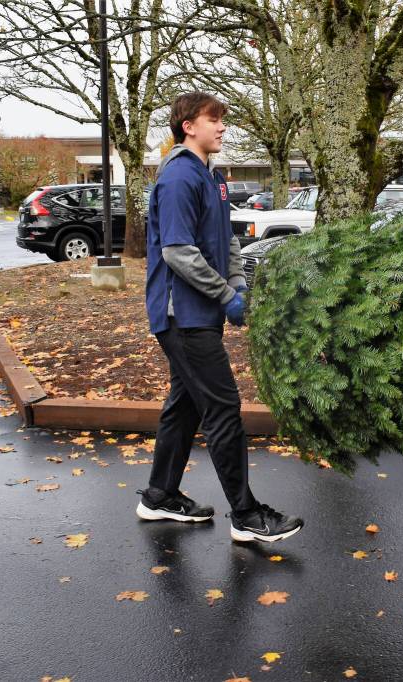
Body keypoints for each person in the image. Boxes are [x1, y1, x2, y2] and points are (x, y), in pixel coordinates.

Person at [139, 92, 303, 543]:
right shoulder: (177, 177)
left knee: (186, 403)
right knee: (223, 406)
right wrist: (223, 294)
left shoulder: (213, 178)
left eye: (222, 121)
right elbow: (177, 253)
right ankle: (247, 516)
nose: (222, 127)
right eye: (214, 120)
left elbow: (226, 239)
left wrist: (238, 286)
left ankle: (159, 496)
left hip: (201, 312)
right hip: (182, 316)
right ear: (187, 125)